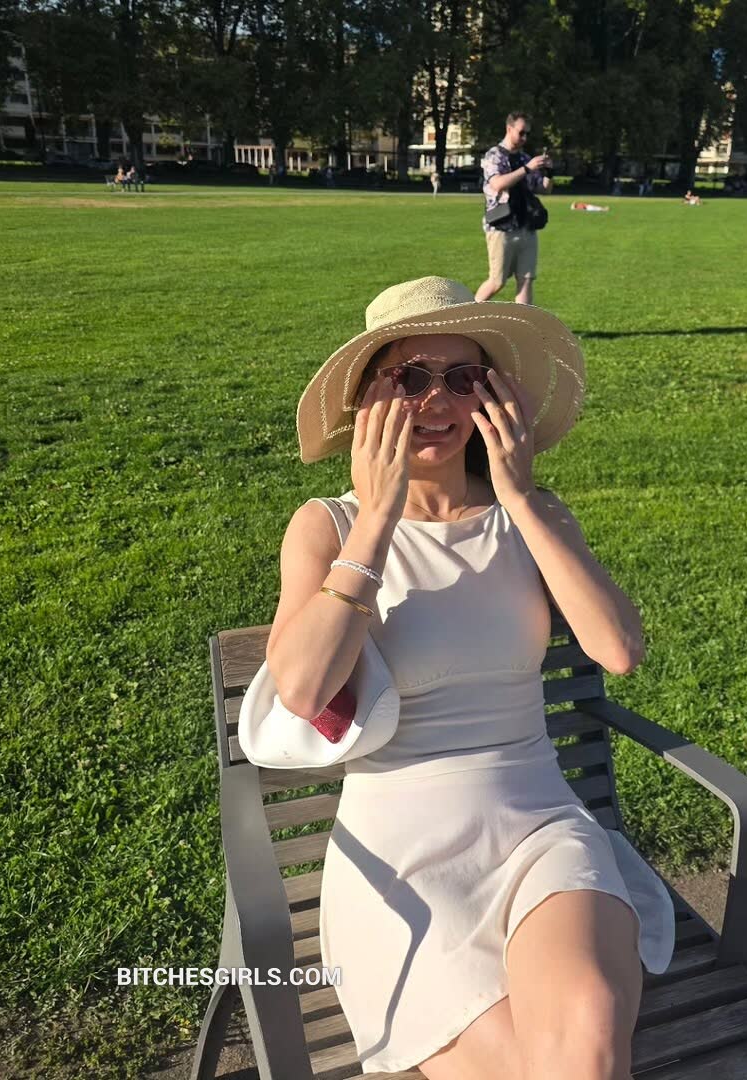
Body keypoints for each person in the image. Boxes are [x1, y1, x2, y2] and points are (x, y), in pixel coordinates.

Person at [276, 277, 676, 1077]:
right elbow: (301, 689)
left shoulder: (532, 514)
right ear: (368, 400)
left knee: (589, 1030)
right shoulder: (328, 527)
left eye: (463, 378)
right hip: (402, 855)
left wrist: (520, 497)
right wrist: (378, 518)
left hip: (538, 828)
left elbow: (618, 649)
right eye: (410, 377)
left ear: (493, 398)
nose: (437, 400)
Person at [475, 112, 553, 306]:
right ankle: (466, 313)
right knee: (497, 281)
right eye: (521, 133)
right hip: (501, 226)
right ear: (509, 129)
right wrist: (527, 168)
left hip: (526, 226)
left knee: (526, 280)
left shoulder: (525, 158)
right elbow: (497, 184)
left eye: (527, 134)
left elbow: (543, 189)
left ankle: (523, 324)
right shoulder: (494, 155)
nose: (525, 138)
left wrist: (549, 172)